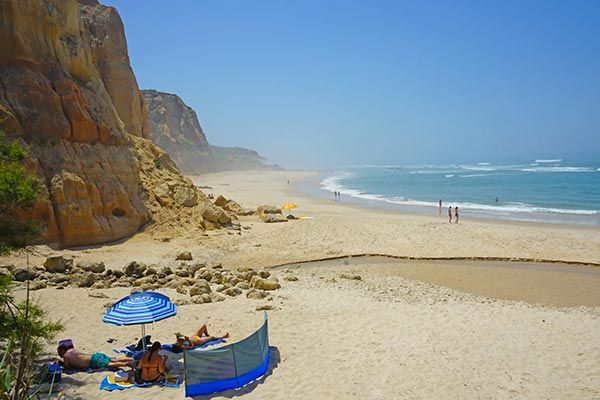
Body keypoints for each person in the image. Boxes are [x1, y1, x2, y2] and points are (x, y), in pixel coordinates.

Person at [57, 345, 133, 370]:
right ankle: (132, 359)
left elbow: (68, 367)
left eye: (59, 352)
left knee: (108, 364)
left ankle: (126, 364)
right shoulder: (72, 350)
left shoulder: (65, 356)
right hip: (95, 355)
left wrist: (62, 364)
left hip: (93, 361)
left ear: (63, 350)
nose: (59, 354)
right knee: (113, 360)